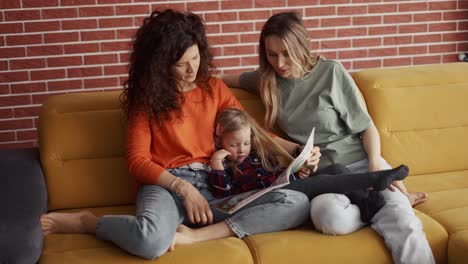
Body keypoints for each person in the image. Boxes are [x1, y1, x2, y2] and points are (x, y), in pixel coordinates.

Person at [40, 9, 317, 260]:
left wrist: (296, 151)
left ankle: (198, 235)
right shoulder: (146, 100)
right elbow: (137, 161)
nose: (192, 69)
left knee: (295, 202)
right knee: (150, 242)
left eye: (195, 58)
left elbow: (254, 132)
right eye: (182, 63)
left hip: (217, 185)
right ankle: (87, 223)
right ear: (160, 64)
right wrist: (183, 188)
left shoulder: (214, 89)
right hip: (167, 187)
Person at [220, 11, 435, 264]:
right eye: (272, 54)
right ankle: (378, 208)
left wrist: (375, 161)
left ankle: (391, 206)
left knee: (404, 225)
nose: (280, 63)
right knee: (327, 217)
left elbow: (367, 127)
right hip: (323, 178)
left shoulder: (331, 72)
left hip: (361, 165)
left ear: (302, 46)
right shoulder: (267, 80)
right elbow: (221, 82)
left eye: (287, 53)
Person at [207, 108, 409, 223]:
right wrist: (217, 163)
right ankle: (375, 178)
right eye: (233, 145)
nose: (241, 149)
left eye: (246, 143)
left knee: (337, 169)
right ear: (220, 142)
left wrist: (296, 171)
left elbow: (274, 173)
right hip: (270, 198)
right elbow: (222, 194)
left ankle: (366, 205)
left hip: (287, 185)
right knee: (322, 181)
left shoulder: (254, 155)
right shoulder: (223, 167)